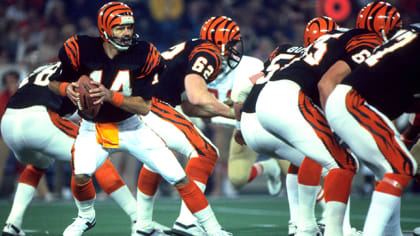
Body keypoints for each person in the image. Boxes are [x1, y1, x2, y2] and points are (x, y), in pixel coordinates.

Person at [48, 2, 230, 236]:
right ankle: (86, 216)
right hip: (93, 127)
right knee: (81, 175)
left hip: (132, 125)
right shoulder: (80, 48)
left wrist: (109, 95)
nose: (126, 33)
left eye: (129, 27)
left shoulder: (143, 53)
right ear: (104, 28)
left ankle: (214, 231)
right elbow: (53, 82)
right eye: (120, 28)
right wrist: (67, 89)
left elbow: (144, 107)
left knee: (179, 178)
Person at [255, 2, 401, 235]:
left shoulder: (341, 36)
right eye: (394, 31)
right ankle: (335, 231)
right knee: (343, 163)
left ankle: (305, 227)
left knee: (319, 160)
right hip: (290, 98)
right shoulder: (369, 41)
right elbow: (327, 83)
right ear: (383, 29)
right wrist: (338, 125)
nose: (396, 38)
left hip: (273, 97)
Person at [0, 63, 139, 235]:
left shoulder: (42, 69)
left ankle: (12, 223)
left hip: (8, 122)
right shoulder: (87, 69)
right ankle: (138, 217)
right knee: (94, 155)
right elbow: (85, 108)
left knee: (39, 163)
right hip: (39, 118)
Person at [136, 16, 242, 235]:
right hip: (151, 104)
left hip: (141, 102)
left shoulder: (193, 48)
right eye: (232, 43)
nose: (234, 50)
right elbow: (197, 96)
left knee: (155, 160)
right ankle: (187, 221)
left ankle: (143, 226)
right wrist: (235, 113)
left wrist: (228, 112)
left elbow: (190, 106)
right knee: (206, 152)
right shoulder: (208, 51)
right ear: (220, 41)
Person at [323, 23, 420, 236]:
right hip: (354, 102)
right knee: (401, 166)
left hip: (351, 102)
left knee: (388, 169)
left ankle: (390, 233)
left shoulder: (405, 43)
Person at [0, 70, 20, 192]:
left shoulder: (23, 93)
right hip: (4, 135)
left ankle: (43, 194)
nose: (10, 83)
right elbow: (3, 114)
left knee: (32, 163)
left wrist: (14, 93)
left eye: (13, 81)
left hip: (21, 134)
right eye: (8, 81)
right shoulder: (2, 96)